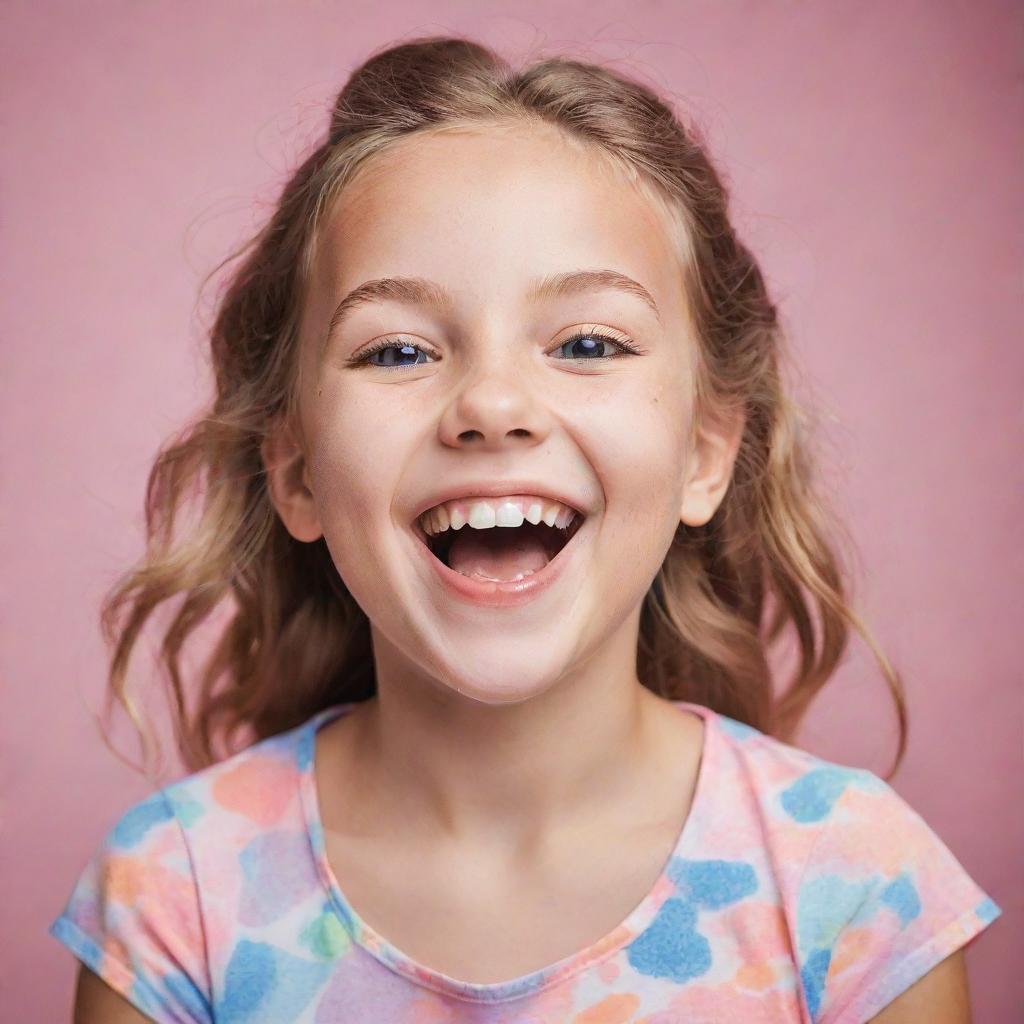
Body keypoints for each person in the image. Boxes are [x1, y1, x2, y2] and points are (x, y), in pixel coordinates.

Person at [50, 35, 1001, 1024]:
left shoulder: (853, 894)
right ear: (293, 469)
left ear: (705, 452)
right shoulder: (173, 904)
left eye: (587, 342)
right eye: (398, 349)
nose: (493, 405)